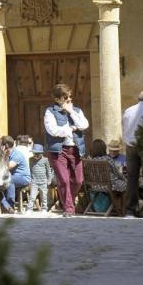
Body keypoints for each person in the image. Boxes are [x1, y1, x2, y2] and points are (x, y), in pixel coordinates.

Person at [44, 83, 88, 217]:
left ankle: (67, 202)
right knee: (63, 180)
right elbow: (53, 130)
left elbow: (84, 125)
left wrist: (71, 112)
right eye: (65, 97)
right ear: (57, 99)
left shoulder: (77, 111)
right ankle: (69, 208)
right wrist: (71, 129)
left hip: (76, 149)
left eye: (69, 96)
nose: (69, 99)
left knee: (78, 180)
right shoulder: (50, 112)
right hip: (58, 150)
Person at [122, 90, 143, 219]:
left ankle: (130, 211)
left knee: (132, 178)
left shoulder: (128, 111)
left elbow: (124, 128)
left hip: (131, 146)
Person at [0, 136, 31, 214]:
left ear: (5, 145)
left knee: (9, 180)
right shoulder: (5, 153)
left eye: (0, 145)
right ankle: (7, 206)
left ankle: (10, 204)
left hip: (23, 178)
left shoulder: (17, 154)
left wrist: (4, 156)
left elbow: (8, 167)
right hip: (11, 176)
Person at [24, 144, 53, 214]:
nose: (36, 155)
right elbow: (30, 170)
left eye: (38, 154)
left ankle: (44, 209)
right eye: (34, 153)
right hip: (34, 182)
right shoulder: (30, 159)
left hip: (43, 181)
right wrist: (30, 180)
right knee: (32, 196)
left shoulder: (45, 160)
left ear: (41, 153)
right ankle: (29, 209)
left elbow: (48, 170)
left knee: (44, 196)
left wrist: (49, 179)